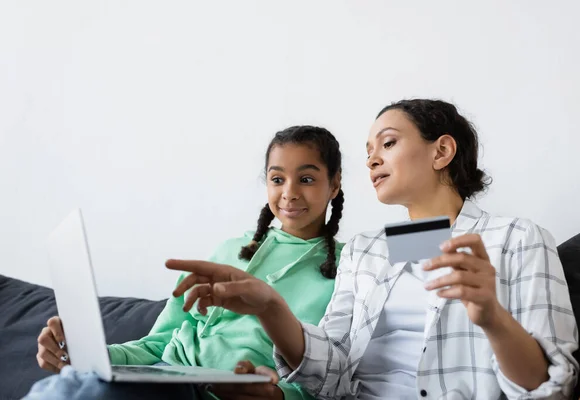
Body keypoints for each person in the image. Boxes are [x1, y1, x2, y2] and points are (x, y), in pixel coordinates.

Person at [166, 99, 580, 399]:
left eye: (387, 143)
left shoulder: (518, 238)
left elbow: (549, 387)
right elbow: (330, 373)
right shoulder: (367, 251)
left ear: (442, 151)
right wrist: (270, 306)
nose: (372, 160)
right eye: (368, 152)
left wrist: (492, 319)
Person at [26, 125, 345, 400]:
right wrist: (85, 358)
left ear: (334, 184)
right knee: (70, 382)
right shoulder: (230, 251)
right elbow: (157, 344)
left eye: (306, 179)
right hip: (169, 375)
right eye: (277, 179)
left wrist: (281, 395)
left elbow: (336, 376)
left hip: (223, 391)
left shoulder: (352, 267)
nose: (289, 193)